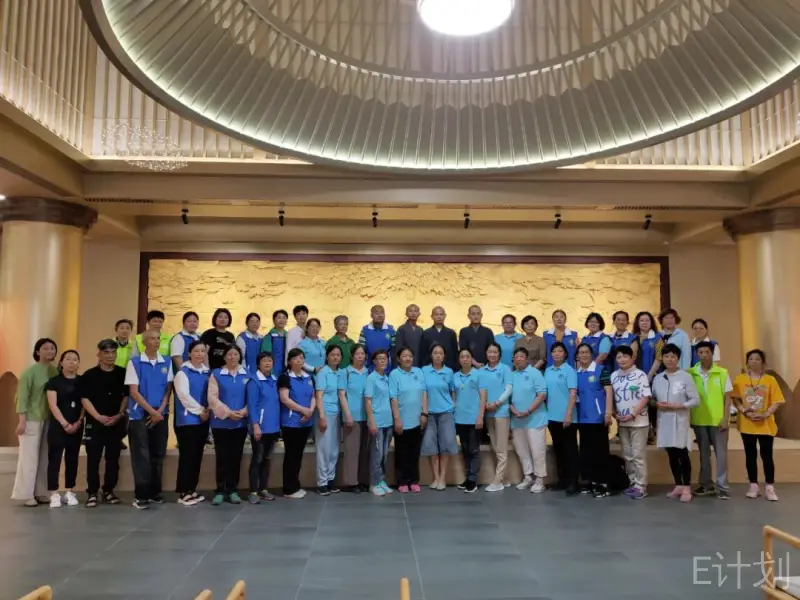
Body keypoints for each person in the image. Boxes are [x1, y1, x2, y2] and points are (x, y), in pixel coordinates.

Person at [125, 329, 173, 509]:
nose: (156, 341)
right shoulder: (135, 362)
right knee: (141, 455)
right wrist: (151, 411)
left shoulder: (166, 361)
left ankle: (155, 492)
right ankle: (141, 495)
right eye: (152, 339)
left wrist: (160, 410)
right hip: (140, 414)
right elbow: (134, 391)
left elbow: (168, 389)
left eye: (158, 338)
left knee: (158, 453)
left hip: (160, 414)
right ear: (144, 342)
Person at [732, 349, 784, 501]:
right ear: (747, 362)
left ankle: (769, 487)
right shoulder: (740, 379)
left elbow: (777, 401)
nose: (753, 362)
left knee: (767, 455)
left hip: (765, 423)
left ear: (763, 362)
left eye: (757, 359)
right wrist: (743, 411)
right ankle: (753, 485)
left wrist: (766, 413)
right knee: (750, 455)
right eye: (751, 359)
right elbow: (735, 399)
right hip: (747, 424)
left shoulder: (770, 380)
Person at [80, 339, 127, 508]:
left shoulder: (122, 373)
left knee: (113, 459)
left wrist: (119, 414)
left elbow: (126, 396)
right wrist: (98, 416)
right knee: (93, 459)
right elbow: (84, 399)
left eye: (113, 352)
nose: (110, 356)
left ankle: (109, 490)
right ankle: (92, 492)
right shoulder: (89, 375)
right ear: (98, 354)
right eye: (106, 352)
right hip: (95, 423)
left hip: (116, 422)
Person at [11, 338, 58, 507]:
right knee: (29, 458)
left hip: (48, 419)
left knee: (45, 457)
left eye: (52, 348)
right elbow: (21, 397)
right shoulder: (29, 372)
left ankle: (41, 492)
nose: (50, 351)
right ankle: (26, 494)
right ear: (38, 351)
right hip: (31, 419)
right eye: (45, 348)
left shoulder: (55, 371)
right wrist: (21, 421)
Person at [652, 343, 700, 503]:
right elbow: (652, 398)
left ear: (678, 358)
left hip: (680, 421)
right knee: (671, 454)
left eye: (673, 356)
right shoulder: (658, 378)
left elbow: (695, 400)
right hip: (664, 421)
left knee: (682, 454)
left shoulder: (685, 376)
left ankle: (687, 486)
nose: (669, 359)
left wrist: (679, 405)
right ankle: (678, 484)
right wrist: (656, 404)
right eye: (666, 356)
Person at [688, 341, 732, 499]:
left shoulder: (722, 372)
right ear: (696, 354)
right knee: (703, 455)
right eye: (700, 353)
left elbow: (728, 399)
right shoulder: (690, 373)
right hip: (699, 420)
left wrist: (725, 419)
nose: (703, 355)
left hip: (718, 421)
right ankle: (706, 485)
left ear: (712, 354)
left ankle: (723, 487)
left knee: (721, 455)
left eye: (707, 352)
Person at [208, 345, 249, 505]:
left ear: (240, 356)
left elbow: (252, 397)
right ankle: (220, 490)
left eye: (235, 354)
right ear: (224, 357)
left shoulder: (247, 374)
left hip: (240, 423)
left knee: (236, 457)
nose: (233, 357)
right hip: (221, 423)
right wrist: (228, 413)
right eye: (229, 354)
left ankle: (233, 490)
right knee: (222, 457)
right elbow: (212, 398)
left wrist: (244, 412)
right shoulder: (216, 374)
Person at [173, 340, 211, 506]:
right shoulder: (183, 372)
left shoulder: (207, 372)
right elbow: (183, 396)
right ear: (189, 353)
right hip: (188, 420)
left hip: (203, 419)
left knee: (197, 456)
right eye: (196, 351)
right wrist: (200, 410)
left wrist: (207, 410)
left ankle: (192, 489)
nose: (199, 354)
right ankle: (183, 492)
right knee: (187, 457)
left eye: (202, 351)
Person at [611, 345, 651, 500]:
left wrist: (633, 414)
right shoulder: (614, 376)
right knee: (627, 455)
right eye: (619, 357)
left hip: (639, 422)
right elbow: (611, 397)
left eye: (625, 356)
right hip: (622, 423)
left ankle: (641, 486)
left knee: (638, 455)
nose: (622, 359)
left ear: (632, 358)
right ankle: (633, 483)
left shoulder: (640, 374)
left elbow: (645, 397)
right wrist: (614, 413)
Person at [45, 350, 84, 508]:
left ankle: (69, 491)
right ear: (61, 362)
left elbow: (85, 403)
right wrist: (65, 423)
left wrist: (79, 421)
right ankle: (54, 493)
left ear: (78, 363)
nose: (71, 362)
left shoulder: (82, 381)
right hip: (58, 425)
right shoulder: (54, 382)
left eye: (75, 359)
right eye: (68, 359)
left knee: (72, 458)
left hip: (77, 425)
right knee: (54, 459)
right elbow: (53, 405)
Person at [575, 343, 614, 498]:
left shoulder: (600, 370)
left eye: (586, 352)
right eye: (581, 352)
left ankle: (603, 484)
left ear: (591, 355)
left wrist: (608, 413)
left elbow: (609, 391)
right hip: (582, 419)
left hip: (598, 418)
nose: (583, 355)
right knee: (586, 452)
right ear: (577, 356)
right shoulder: (577, 373)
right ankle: (590, 481)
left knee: (600, 452)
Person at [509, 347, 548, 493]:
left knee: (537, 450)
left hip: (535, 419)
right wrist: (512, 409)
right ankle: (528, 476)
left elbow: (541, 395)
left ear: (526, 358)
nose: (518, 359)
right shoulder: (512, 375)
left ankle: (540, 479)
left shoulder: (535, 373)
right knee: (522, 450)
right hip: (517, 420)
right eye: (516, 356)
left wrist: (528, 410)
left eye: (521, 356)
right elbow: (508, 396)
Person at [279, 348, 315, 499]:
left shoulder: (309, 377)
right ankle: (289, 488)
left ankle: (295, 484)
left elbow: (313, 396)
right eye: (295, 358)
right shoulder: (285, 378)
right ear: (289, 361)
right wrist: (303, 410)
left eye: (301, 358)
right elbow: (285, 399)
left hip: (306, 422)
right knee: (291, 455)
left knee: (299, 455)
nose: (299, 360)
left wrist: (310, 410)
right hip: (291, 422)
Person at [390, 347, 427, 493]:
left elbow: (424, 393)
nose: (407, 358)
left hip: (417, 419)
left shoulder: (418, 372)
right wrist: (397, 419)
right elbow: (393, 398)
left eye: (410, 356)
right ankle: (402, 481)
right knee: (402, 452)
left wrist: (424, 413)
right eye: (404, 356)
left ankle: (413, 480)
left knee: (414, 453)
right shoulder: (394, 374)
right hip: (402, 420)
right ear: (398, 359)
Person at [544, 342, 579, 495]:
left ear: (565, 354)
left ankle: (573, 482)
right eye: (554, 351)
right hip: (552, 416)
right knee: (558, 449)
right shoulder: (548, 371)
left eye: (560, 351)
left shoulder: (569, 370)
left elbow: (573, 393)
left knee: (570, 450)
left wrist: (568, 414)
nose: (557, 353)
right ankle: (562, 480)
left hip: (567, 416)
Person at [421, 344, 457, 491]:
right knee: (431, 447)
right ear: (431, 355)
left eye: (440, 353)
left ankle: (443, 478)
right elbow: (423, 392)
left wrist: (453, 405)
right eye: (435, 353)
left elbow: (453, 391)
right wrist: (423, 412)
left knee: (446, 446)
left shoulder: (449, 372)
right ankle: (436, 477)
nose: (438, 355)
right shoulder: (424, 371)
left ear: (444, 356)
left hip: (446, 413)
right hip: (429, 413)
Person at [246, 351, 280, 504]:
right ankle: (253, 491)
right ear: (258, 364)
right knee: (257, 459)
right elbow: (252, 405)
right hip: (260, 427)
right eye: (264, 361)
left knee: (267, 459)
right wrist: (255, 425)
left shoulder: (274, 379)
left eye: (270, 361)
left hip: (273, 427)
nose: (267, 363)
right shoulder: (254, 381)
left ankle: (263, 489)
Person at [480, 342, 513, 492]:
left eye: (495, 352)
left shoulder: (505, 369)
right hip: (488, 412)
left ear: (499, 354)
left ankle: (498, 480)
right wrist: (485, 405)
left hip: (501, 412)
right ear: (486, 354)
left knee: (501, 448)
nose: (492, 354)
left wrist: (498, 402)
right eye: (490, 352)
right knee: (494, 446)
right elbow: (480, 390)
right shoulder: (482, 371)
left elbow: (509, 389)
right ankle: (505, 478)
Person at [453, 348, 486, 493]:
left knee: (474, 450)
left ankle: (473, 480)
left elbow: (483, 396)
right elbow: (454, 397)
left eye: (468, 356)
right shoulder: (455, 376)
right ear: (459, 359)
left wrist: (480, 416)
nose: (465, 359)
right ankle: (467, 477)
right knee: (465, 450)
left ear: (472, 359)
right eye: (462, 357)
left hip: (474, 418)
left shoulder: (478, 375)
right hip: (460, 419)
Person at [339, 344, 370, 493]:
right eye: (357, 354)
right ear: (352, 356)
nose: (360, 356)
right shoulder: (345, 372)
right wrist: (348, 415)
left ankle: (363, 480)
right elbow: (342, 395)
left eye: (362, 354)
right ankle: (352, 482)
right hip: (352, 418)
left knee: (365, 451)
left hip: (367, 417)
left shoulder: (368, 372)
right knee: (352, 451)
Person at [315, 345, 344, 496]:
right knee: (324, 449)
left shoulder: (340, 373)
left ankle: (330, 480)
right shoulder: (323, 373)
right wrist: (321, 416)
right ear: (327, 357)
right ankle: (322, 482)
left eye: (338, 355)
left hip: (337, 414)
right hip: (325, 413)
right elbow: (319, 396)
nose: (335, 357)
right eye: (332, 355)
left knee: (334, 449)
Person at [365, 350, 394, 497]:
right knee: (377, 454)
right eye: (379, 358)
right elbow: (368, 401)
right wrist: (372, 422)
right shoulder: (371, 378)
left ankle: (381, 480)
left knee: (384, 455)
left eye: (385, 358)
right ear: (374, 361)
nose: (382, 360)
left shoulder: (387, 378)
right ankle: (374, 483)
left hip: (388, 422)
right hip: (377, 422)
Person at [633, 311, 662, 444]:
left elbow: (659, 357)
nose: (644, 323)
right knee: (639, 403)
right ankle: (643, 433)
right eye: (641, 320)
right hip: (636, 377)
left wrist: (650, 374)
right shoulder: (634, 338)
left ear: (651, 323)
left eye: (647, 320)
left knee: (652, 404)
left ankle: (654, 432)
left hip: (653, 376)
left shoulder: (657, 338)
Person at [359, 305, 397, 372]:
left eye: (382, 312)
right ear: (371, 315)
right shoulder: (365, 330)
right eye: (376, 313)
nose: (380, 315)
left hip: (387, 368)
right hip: (369, 368)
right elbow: (362, 349)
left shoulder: (391, 329)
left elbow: (394, 350)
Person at [420, 306, 459, 370]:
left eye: (441, 314)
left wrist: (455, 368)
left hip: (448, 367)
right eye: (436, 314)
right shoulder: (426, 333)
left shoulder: (451, 333)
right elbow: (423, 354)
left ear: (445, 316)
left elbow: (455, 353)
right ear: (432, 316)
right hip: (430, 368)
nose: (439, 317)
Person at [261, 310, 289, 374]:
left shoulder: (288, 336)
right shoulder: (269, 337)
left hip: (287, 370)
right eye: (279, 317)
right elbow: (265, 356)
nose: (282, 320)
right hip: (273, 370)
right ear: (274, 320)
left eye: (284, 318)